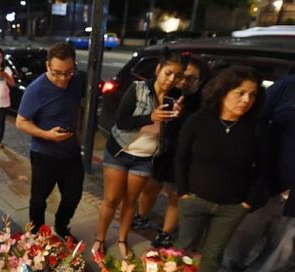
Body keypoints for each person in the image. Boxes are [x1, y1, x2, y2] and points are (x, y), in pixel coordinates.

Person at [175, 65, 267, 272]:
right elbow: (181, 158)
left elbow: (263, 169)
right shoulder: (199, 120)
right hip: (194, 199)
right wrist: (183, 192)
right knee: (185, 247)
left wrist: (248, 202)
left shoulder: (256, 128)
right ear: (223, 91)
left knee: (213, 255)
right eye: (240, 92)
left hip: (232, 206)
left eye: (252, 94)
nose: (246, 100)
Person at [93, 51, 184, 257]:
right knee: (111, 199)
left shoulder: (176, 98)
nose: (172, 80)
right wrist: (150, 116)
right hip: (121, 151)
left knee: (130, 202)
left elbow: (171, 135)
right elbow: (122, 121)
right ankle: (99, 239)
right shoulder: (138, 89)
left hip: (145, 158)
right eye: (168, 73)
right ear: (159, 70)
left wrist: (175, 118)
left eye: (177, 76)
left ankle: (123, 239)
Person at [218, 74, 295, 272]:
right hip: (269, 178)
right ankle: (229, 269)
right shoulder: (288, 86)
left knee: (285, 245)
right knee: (243, 231)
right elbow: (257, 117)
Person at [132, 56, 209, 248]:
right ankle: (141, 217)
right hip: (162, 150)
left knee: (175, 195)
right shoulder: (169, 94)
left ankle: (166, 232)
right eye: (181, 76)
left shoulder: (203, 104)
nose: (183, 82)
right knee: (150, 188)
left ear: (200, 81)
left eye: (191, 78)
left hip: (184, 156)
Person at [15, 42, 84, 238]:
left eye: (68, 72)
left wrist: (76, 131)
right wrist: (47, 135)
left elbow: (76, 106)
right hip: (44, 154)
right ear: (47, 66)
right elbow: (21, 122)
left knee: (73, 195)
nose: (63, 78)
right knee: (38, 199)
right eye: (57, 73)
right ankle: (37, 236)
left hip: (71, 152)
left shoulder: (76, 80)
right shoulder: (35, 90)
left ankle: (61, 227)